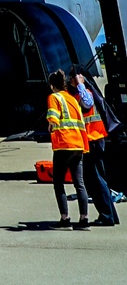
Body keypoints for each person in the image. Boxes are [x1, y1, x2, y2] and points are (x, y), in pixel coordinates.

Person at [70, 71, 119, 226]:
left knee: (95, 180)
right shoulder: (79, 95)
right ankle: (110, 215)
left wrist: (80, 84)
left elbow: (88, 103)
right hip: (93, 140)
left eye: (71, 78)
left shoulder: (85, 93)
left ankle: (107, 216)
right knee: (97, 179)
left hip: (93, 140)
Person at [46, 68, 90, 229]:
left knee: (58, 182)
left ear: (52, 85)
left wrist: (50, 127)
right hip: (79, 144)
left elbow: (53, 119)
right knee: (79, 183)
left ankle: (65, 219)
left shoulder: (54, 97)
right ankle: (84, 220)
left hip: (64, 144)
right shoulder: (72, 99)